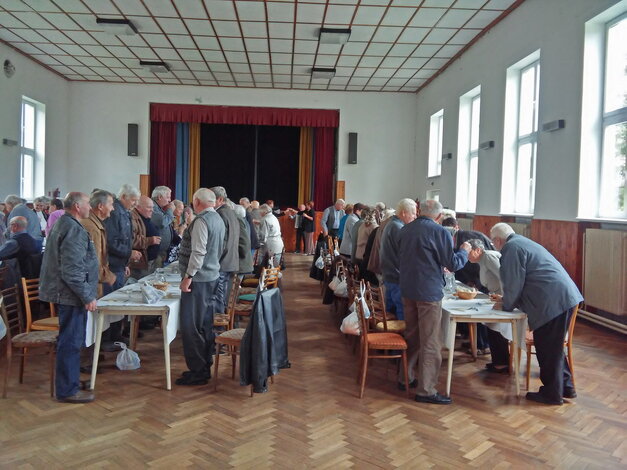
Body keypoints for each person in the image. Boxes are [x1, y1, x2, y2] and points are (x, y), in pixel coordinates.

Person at [490, 223, 583, 405]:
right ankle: (565, 387)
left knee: (547, 348)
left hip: (552, 301)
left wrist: (506, 305)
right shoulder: (522, 242)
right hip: (561, 298)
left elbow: (513, 283)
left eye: (493, 242)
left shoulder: (511, 248)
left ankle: (551, 394)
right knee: (553, 347)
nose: (494, 246)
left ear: (498, 240)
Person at [399, 200, 471, 405]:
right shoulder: (440, 232)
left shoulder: (405, 229)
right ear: (439, 217)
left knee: (412, 336)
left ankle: (406, 377)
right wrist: (464, 250)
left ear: (419, 212)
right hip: (428, 293)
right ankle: (426, 390)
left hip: (408, 289)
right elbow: (453, 263)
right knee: (431, 341)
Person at [40, 192, 98, 403]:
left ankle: (70, 381)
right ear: (76, 206)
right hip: (70, 294)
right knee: (71, 341)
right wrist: (87, 295)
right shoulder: (72, 228)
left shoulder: (66, 223)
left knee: (73, 339)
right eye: (87, 204)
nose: (90, 207)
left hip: (68, 293)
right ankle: (67, 389)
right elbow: (72, 270)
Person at [177, 188, 225, 385]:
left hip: (199, 280)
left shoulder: (201, 221)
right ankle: (204, 364)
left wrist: (188, 276)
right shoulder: (218, 219)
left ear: (197, 202)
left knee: (191, 326)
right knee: (205, 324)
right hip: (212, 276)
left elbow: (198, 252)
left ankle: (198, 370)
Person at [466, 238, 511, 372]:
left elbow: (504, 277)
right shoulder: (482, 260)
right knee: (491, 328)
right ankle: (498, 361)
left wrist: (505, 299)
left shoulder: (489, 257)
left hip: (503, 298)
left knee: (496, 328)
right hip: (496, 297)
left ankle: (502, 364)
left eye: (468, 252)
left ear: (478, 250)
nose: (466, 255)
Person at [380, 199, 417, 321]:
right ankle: (400, 338)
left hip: (389, 275)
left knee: (391, 312)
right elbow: (405, 254)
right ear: (405, 213)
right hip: (396, 277)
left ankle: (391, 336)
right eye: (414, 213)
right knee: (401, 313)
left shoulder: (391, 224)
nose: (415, 217)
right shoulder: (398, 227)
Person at [79, 190, 117, 298]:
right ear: (100, 206)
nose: (113, 208)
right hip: (89, 284)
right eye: (111, 204)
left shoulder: (94, 223)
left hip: (92, 282)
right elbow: (93, 260)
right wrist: (108, 276)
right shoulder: (92, 227)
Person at [210, 186, 240, 313]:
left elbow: (221, 242)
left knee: (218, 297)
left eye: (211, 199)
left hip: (222, 262)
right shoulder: (231, 212)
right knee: (222, 295)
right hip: (230, 260)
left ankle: (218, 328)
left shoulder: (220, 214)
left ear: (220, 199)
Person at [129, 196, 161, 280]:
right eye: (149, 207)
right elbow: (131, 239)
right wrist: (150, 240)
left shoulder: (145, 216)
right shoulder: (132, 218)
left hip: (150, 261)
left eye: (152, 207)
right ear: (138, 207)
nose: (152, 210)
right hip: (139, 263)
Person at [150, 186, 175, 267]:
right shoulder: (152, 206)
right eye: (168, 197)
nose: (169, 200)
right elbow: (163, 222)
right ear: (159, 197)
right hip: (155, 252)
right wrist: (170, 209)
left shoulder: (158, 207)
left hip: (161, 252)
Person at [234, 205, 253, 274]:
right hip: (245, 261)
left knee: (236, 283)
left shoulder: (239, 222)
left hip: (242, 262)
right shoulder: (245, 222)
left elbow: (244, 243)